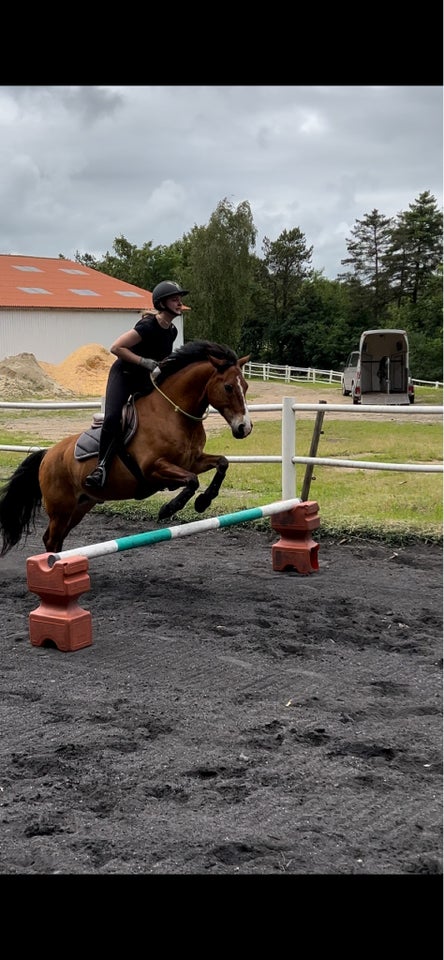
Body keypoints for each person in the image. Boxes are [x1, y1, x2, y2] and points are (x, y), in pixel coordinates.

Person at [84, 280, 189, 490]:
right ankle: (101, 467)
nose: (179, 303)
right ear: (162, 303)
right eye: (174, 299)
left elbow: (161, 358)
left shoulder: (172, 331)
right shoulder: (147, 326)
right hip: (124, 375)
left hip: (144, 378)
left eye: (180, 299)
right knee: (114, 417)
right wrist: (144, 362)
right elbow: (116, 347)